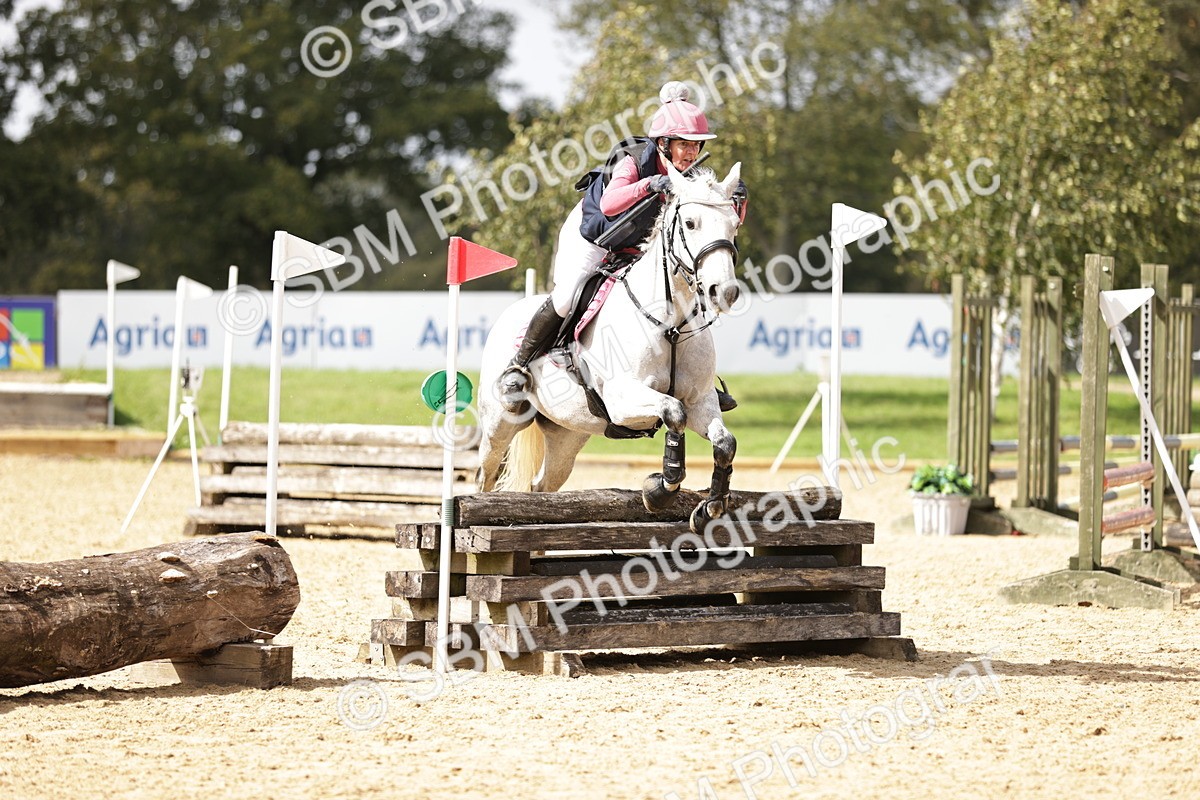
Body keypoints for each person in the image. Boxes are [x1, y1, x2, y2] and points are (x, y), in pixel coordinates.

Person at [497, 81, 720, 413]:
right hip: (594, 234)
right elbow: (612, 204)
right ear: (663, 143)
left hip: (637, 243)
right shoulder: (632, 160)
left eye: (697, 145)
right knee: (568, 294)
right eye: (685, 145)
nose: (692, 153)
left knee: (683, 292)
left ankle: (699, 382)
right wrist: (649, 184)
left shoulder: (691, 174)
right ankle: (518, 365)